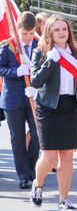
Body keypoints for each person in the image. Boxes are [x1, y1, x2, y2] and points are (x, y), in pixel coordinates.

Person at [28, 15, 77, 211]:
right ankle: (38, 185)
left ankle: (63, 199)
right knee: (49, 157)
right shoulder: (40, 53)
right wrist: (51, 62)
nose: (62, 32)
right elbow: (36, 82)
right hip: (47, 107)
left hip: (68, 107)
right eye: (56, 29)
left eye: (64, 29)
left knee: (66, 156)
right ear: (49, 32)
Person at [0, 11, 39, 189]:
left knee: (37, 133)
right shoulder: (8, 46)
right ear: (17, 29)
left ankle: (32, 168)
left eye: (31, 33)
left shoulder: (39, 45)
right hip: (12, 98)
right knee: (17, 137)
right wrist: (15, 72)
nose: (28, 37)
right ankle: (23, 175)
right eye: (24, 33)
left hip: (33, 96)